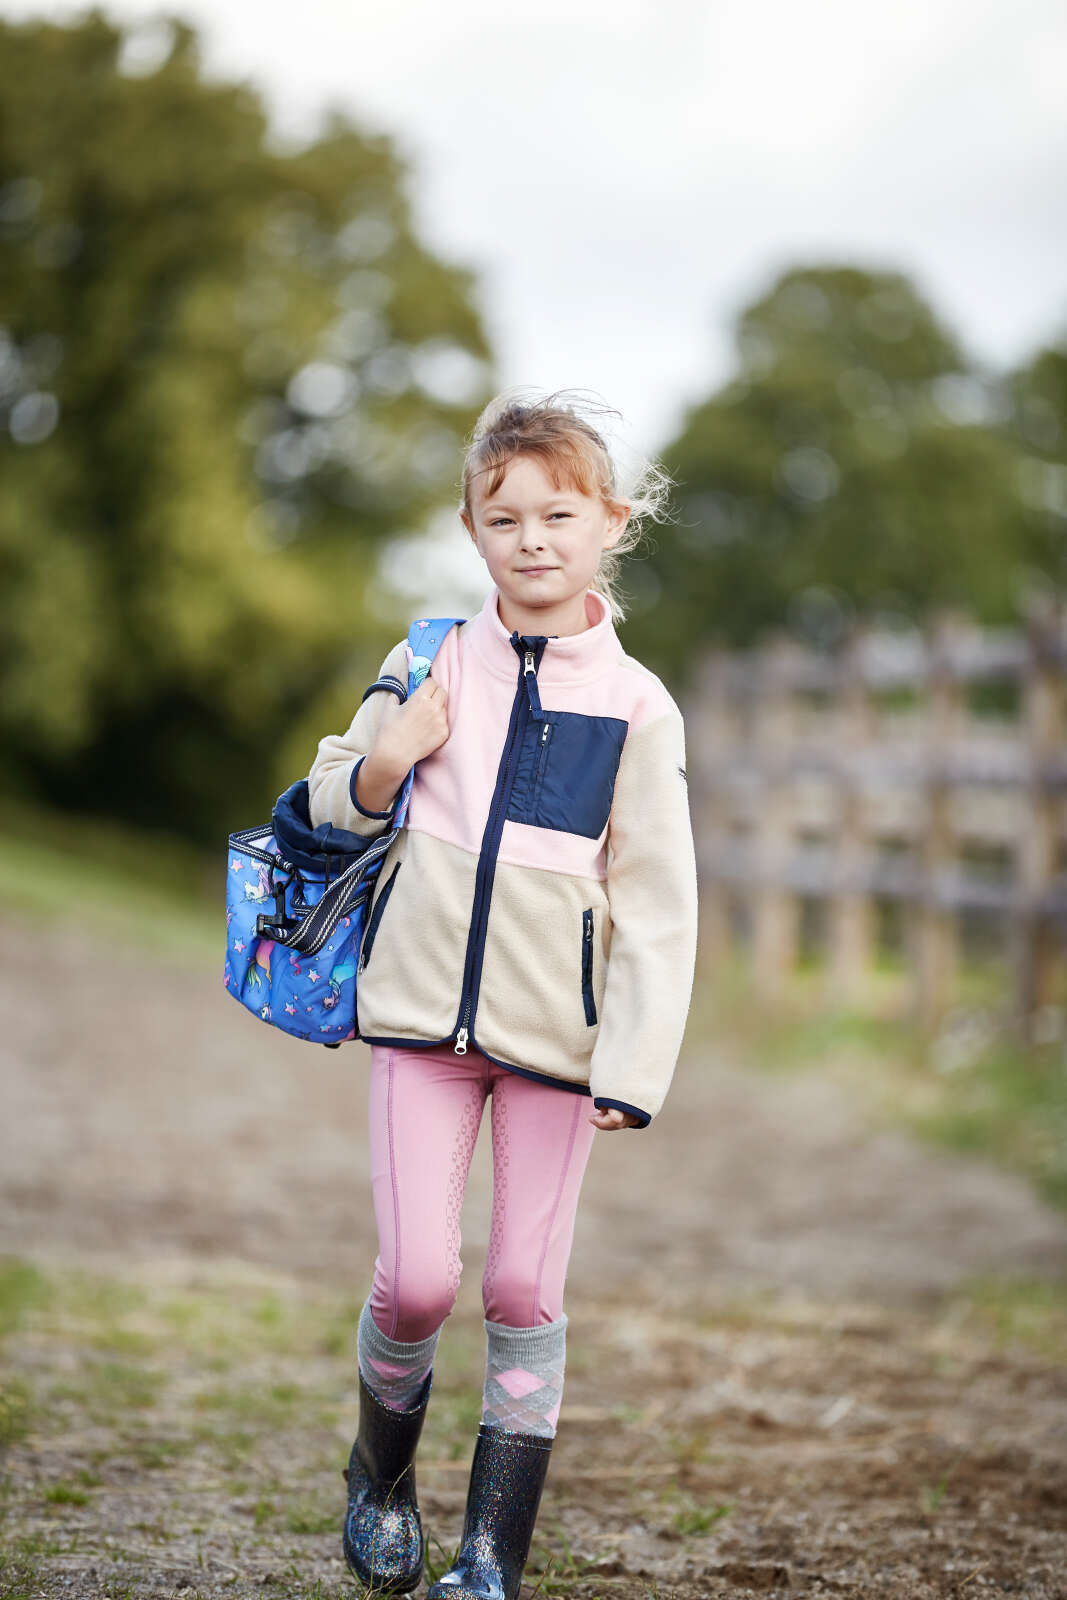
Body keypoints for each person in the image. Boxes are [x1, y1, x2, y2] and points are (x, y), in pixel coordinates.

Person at [307, 387, 699, 1600]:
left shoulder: (637, 706)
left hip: (554, 1045)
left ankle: (489, 1556)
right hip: (419, 1027)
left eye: (558, 514)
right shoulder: (424, 658)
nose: (531, 539)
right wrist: (390, 754)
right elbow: (327, 803)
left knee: (524, 1288)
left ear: (608, 522)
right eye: (504, 516)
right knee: (417, 1279)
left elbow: (657, 905)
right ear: (471, 529)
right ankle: (377, 1480)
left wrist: (631, 1070)